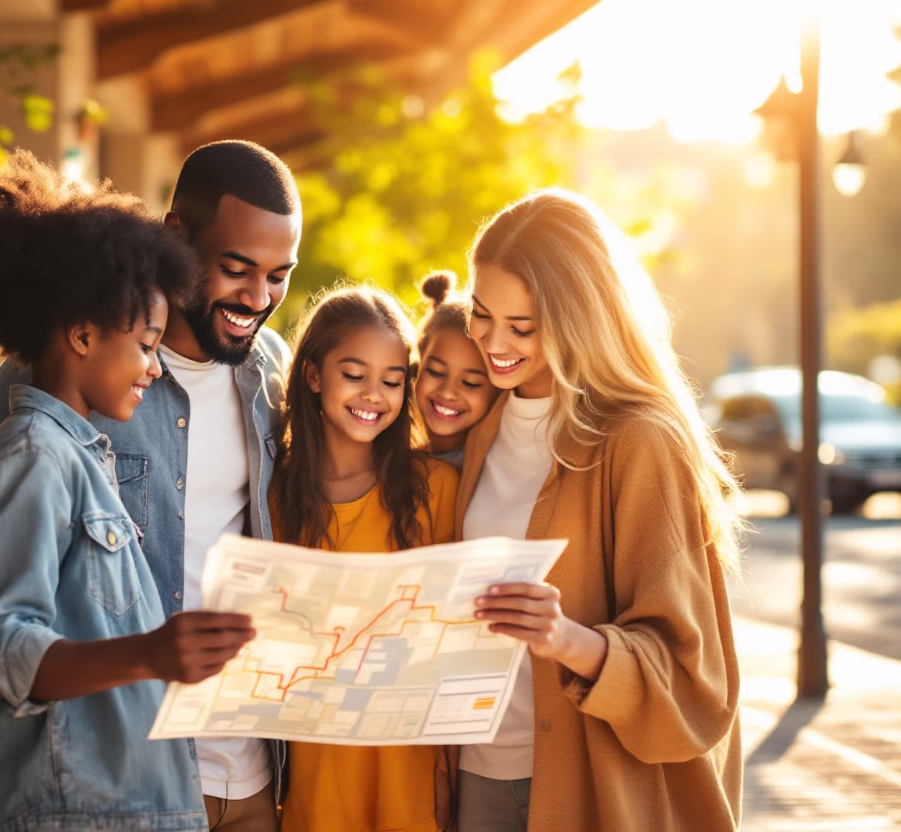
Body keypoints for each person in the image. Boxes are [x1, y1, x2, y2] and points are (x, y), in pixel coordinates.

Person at [0, 140, 302, 831]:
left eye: (279, 277)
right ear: (178, 236)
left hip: (250, 767)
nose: (258, 299)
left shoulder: (273, 372)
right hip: (113, 781)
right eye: (238, 269)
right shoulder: (46, 390)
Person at [455, 190, 743, 831]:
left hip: (589, 791)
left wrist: (567, 640)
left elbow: (695, 680)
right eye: (480, 314)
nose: (493, 343)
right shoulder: (478, 424)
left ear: (579, 316)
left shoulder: (639, 442)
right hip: (474, 776)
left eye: (522, 328)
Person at [270, 285, 459, 832]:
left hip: (410, 768)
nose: (373, 394)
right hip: (315, 765)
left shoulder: (437, 489)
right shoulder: (278, 495)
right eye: (354, 375)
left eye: (393, 381)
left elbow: (453, 647)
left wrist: (445, 773)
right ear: (313, 375)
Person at [413, 270, 498, 469]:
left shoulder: (489, 467)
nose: (448, 392)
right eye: (435, 372)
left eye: (470, 383)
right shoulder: (394, 452)